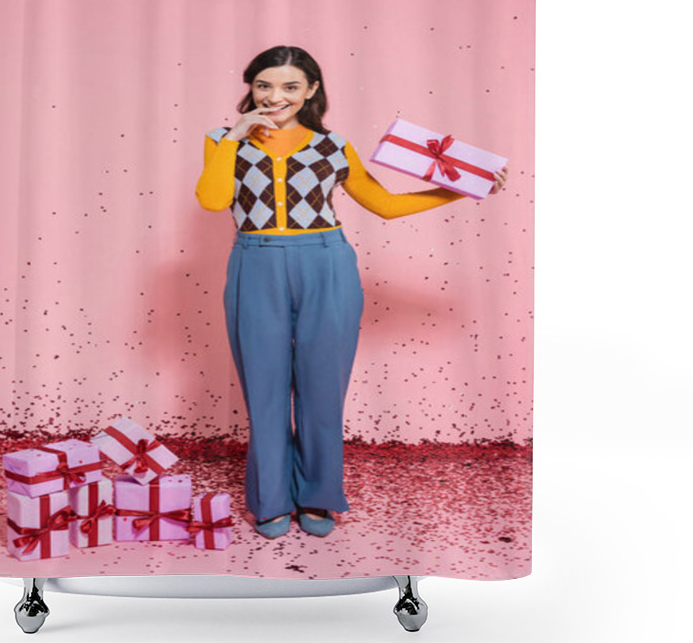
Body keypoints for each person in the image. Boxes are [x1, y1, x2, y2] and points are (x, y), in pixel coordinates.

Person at [195, 45, 508, 539]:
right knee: (265, 387)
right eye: (264, 86)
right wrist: (235, 137)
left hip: (327, 263)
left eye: (290, 87)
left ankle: (318, 496)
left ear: (312, 90)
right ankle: (272, 499)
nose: (276, 96)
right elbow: (213, 199)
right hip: (255, 263)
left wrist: (462, 188)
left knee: (323, 387)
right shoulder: (222, 141)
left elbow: (382, 204)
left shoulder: (333, 146)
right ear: (250, 87)